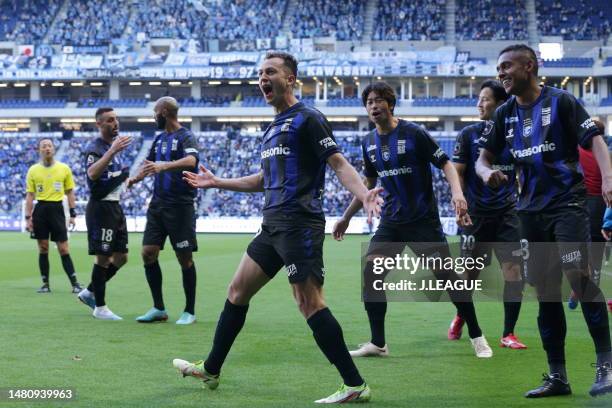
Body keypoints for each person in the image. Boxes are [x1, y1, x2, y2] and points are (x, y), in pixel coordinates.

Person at [175, 51, 383, 403]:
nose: (262, 79)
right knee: (237, 290)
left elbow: (337, 161)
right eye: (259, 73)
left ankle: (354, 384)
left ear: (290, 79)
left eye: (270, 72)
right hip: (272, 224)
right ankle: (211, 369)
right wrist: (217, 183)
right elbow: (263, 179)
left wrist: (363, 195)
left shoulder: (308, 118)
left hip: (299, 223)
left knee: (309, 302)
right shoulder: (272, 128)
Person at [476, 44, 612, 398]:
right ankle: (557, 377)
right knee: (546, 294)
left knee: (579, 281)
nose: (501, 72)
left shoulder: (561, 101)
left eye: (507, 66)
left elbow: (595, 140)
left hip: (567, 205)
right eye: (499, 67)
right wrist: (487, 171)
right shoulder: (504, 114)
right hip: (529, 214)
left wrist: (610, 178)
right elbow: (482, 160)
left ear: (529, 66)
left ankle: (606, 367)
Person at [332, 81, 492, 360]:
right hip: (391, 223)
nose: (374, 106)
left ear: (390, 104)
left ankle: (477, 335)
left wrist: (457, 193)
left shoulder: (414, 133)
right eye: (369, 102)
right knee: (372, 274)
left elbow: (446, 164)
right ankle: (378, 343)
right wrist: (346, 217)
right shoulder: (368, 142)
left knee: (449, 280)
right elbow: (367, 188)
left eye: (379, 100)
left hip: (422, 222)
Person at [451, 80, 526, 349]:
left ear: (501, 103)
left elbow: (523, 171)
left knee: (513, 271)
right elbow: (457, 173)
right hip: (475, 215)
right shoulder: (468, 134)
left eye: (485, 99)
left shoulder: (518, 133)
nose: (479, 104)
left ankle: (509, 333)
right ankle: (462, 315)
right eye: (479, 99)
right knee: (470, 275)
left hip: (508, 213)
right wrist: (459, 204)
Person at [128, 97, 200, 325]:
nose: (153, 117)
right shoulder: (159, 140)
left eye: (155, 112)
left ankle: (189, 311)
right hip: (157, 205)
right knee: (148, 252)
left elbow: (191, 160)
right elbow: (149, 163)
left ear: (165, 112)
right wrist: (136, 178)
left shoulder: (185, 136)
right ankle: (159, 308)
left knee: (184, 258)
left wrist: (165, 165)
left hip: (180, 206)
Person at [77, 108, 132, 320]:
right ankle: (100, 307)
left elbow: (113, 182)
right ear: (99, 124)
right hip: (101, 209)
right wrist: (112, 152)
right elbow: (92, 173)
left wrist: (133, 179)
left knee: (122, 257)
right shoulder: (96, 148)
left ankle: (90, 291)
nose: (115, 123)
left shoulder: (111, 148)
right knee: (103, 257)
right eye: (110, 120)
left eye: (116, 119)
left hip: (114, 207)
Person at [25, 138, 82, 294]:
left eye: (49, 146)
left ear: (54, 149)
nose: (47, 148)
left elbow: (70, 191)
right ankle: (45, 284)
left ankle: (75, 284)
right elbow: (30, 195)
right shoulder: (33, 170)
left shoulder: (64, 169)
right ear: (40, 150)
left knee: (63, 249)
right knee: (43, 248)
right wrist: (28, 218)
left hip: (57, 210)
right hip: (41, 210)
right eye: (44, 146)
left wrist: (72, 214)